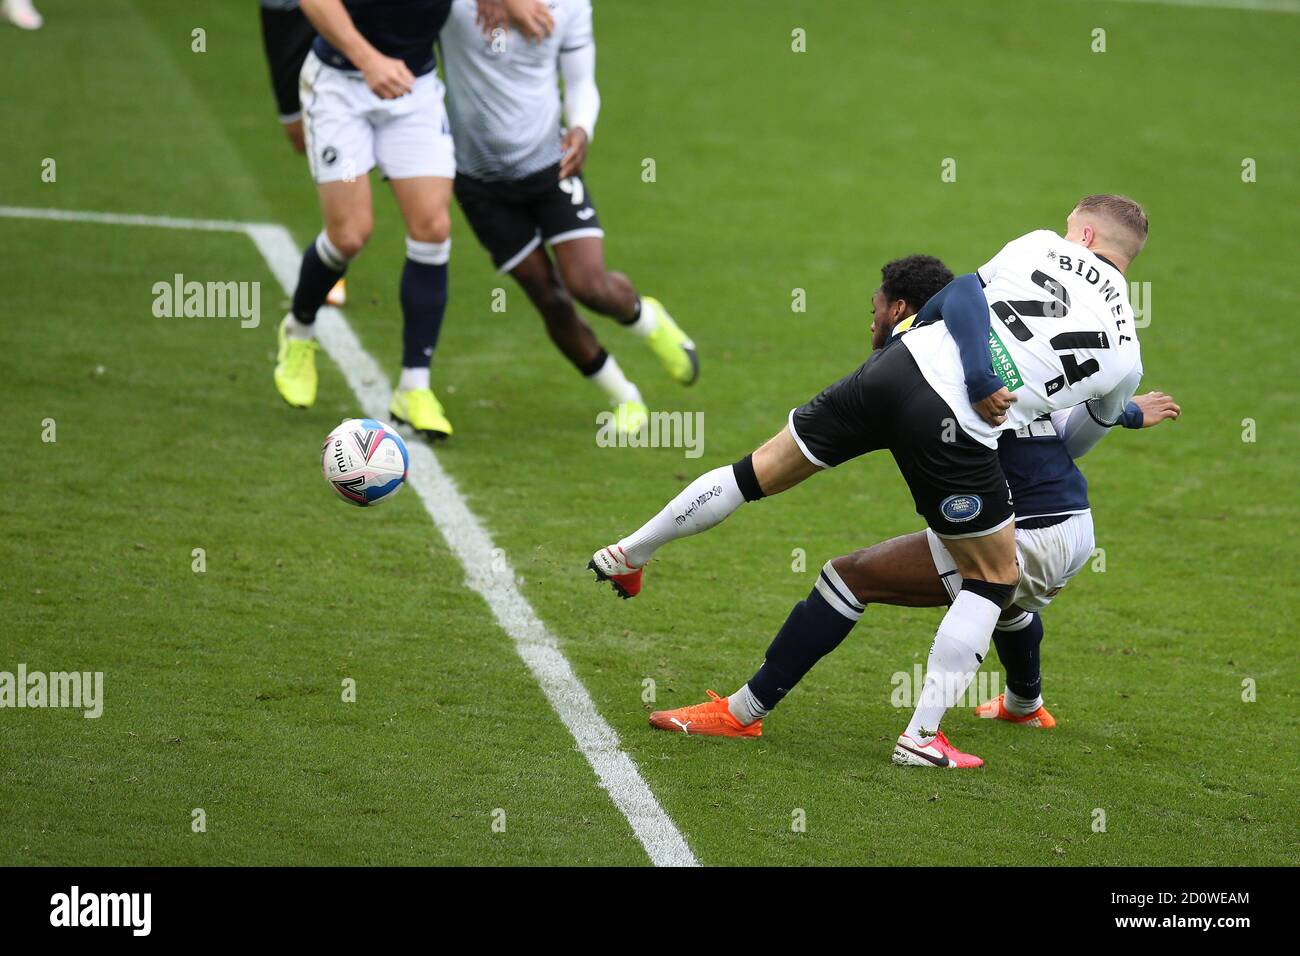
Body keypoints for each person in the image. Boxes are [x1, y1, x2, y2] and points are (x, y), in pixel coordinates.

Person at [591, 195, 1151, 767]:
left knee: (753, 473)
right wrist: (1073, 405)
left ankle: (630, 552)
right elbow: (1076, 442)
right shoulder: (1128, 353)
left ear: (1083, 237)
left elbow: (959, 293)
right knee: (993, 580)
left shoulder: (1039, 246)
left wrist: (970, 368)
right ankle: (925, 736)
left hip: (898, 370)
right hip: (979, 445)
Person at [440, 0, 698, 435]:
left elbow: (580, 81)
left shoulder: (570, 5)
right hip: (479, 181)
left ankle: (645, 318)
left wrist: (581, 127)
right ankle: (625, 397)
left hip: (550, 164)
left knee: (587, 285)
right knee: (549, 298)